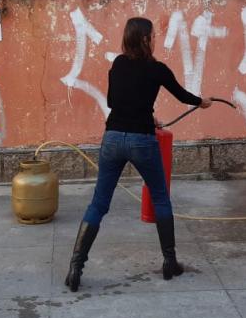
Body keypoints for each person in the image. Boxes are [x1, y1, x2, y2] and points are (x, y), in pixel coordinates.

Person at [65, 17, 212, 291]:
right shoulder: (157, 69)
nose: (155, 39)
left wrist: (146, 114)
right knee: (160, 198)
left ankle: (75, 267)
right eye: (153, 35)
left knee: (98, 204)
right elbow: (182, 96)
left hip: (112, 139)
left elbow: (112, 102)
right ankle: (170, 262)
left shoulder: (118, 64)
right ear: (146, 39)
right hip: (142, 141)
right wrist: (201, 102)